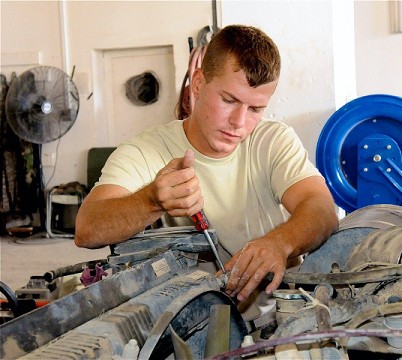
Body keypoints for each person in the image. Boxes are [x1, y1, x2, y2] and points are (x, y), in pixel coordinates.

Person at [75, 24, 338, 303]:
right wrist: (151, 200)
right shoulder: (145, 150)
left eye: (255, 109)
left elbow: (322, 209)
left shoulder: (273, 139)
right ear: (198, 84)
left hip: (279, 309)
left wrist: (279, 244)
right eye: (228, 100)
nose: (239, 123)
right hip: (186, 312)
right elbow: (87, 229)